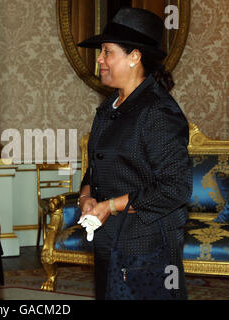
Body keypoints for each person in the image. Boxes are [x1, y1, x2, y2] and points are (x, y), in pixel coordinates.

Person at [77, 7, 192, 300]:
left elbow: (174, 188)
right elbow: (97, 168)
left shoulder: (158, 111)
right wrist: (87, 197)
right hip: (110, 242)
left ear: (134, 57)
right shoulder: (109, 108)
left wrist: (111, 206)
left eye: (107, 52)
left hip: (147, 248)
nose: (99, 59)